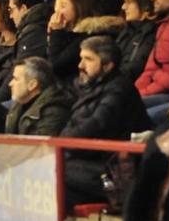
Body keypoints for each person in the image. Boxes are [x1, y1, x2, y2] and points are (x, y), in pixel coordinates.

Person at [61, 35, 152, 207]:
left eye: (88, 60)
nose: (80, 65)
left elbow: (96, 127)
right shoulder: (87, 87)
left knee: (53, 173)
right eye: (81, 59)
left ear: (108, 65)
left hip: (114, 174)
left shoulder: (119, 90)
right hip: (89, 165)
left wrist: (61, 143)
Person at [5, 57, 73, 136]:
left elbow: (39, 146)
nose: (10, 83)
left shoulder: (54, 110)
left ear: (32, 85)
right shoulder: (18, 104)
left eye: (16, 79)